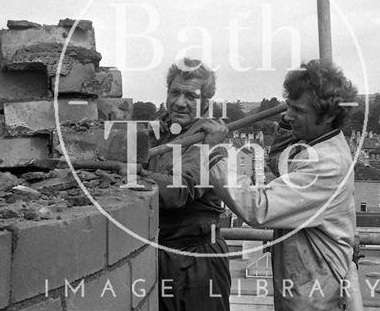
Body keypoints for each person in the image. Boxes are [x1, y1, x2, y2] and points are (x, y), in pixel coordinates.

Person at [204, 59, 363, 311]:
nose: (288, 116)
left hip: (315, 299)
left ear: (330, 115)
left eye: (299, 111)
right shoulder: (316, 145)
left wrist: (215, 153)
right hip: (303, 288)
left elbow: (258, 207)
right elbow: (279, 161)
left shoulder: (327, 164)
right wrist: (290, 117)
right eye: (288, 107)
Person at [142, 58, 231, 311]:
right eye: (175, 92)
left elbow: (176, 192)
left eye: (191, 96)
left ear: (205, 102)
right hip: (163, 255)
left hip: (197, 262)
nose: (180, 102)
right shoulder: (161, 132)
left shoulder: (208, 141)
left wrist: (132, 175)